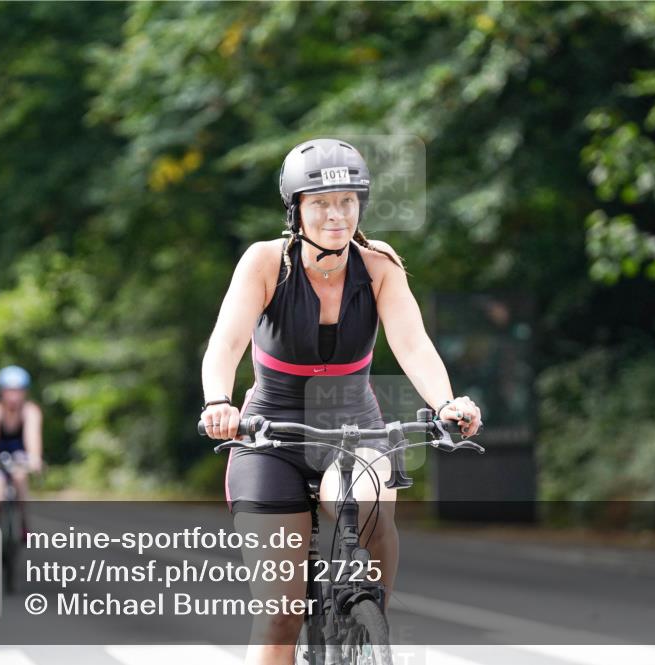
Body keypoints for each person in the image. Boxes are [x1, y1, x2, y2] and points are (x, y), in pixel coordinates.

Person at [200, 138, 482, 665]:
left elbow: (413, 343)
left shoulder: (378, 266)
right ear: (296, 210)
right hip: (270, 437)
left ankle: (370, 622)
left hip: (354, 428)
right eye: (321, 203)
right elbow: (226, 343)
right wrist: (219, 401)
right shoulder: (265, 263)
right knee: (280, 617)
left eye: (348, 201)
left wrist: (447, 403)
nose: (337, 215)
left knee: (373, 508)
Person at [0, 365, 43, 524]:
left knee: (20, 477)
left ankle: (23, 520)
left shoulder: (30, 410)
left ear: (25, 392)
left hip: (18, 454)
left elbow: (32, 436)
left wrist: (35, 458)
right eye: (9, 391)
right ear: (2, 392)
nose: (14, 396)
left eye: (18, 391)